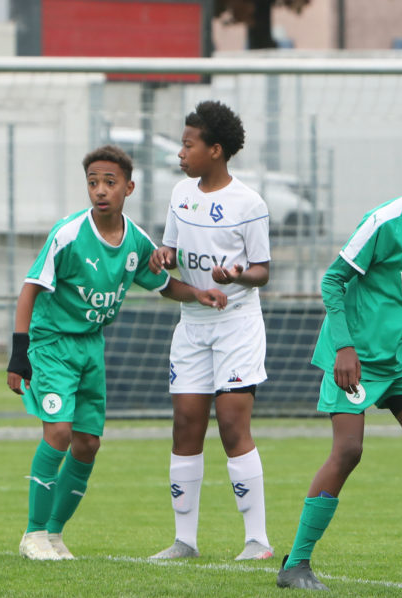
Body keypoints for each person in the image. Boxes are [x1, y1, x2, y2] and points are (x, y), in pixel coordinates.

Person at [276, 126, 402, 590]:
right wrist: (344, 348)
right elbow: (332, 281)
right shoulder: (386, 220)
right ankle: (295, 565)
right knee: (348, 450)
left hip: (398, 353)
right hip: (352, 351)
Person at [6, 145, 227, 561]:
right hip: (53, 344)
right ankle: (32, 533)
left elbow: (163, 285)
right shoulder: (69, 234)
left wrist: (199, 293)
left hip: (92, 346)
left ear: (129, 186)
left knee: (87, 443)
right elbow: (30, 289)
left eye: (109, 183)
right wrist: (19, 355)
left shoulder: (137, 241)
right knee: (58, 432)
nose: (100, 191)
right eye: (93, 183)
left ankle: (53, 534)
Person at [147, 101, 273, 562]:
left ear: (215, 150)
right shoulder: (181, 194)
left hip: (237, 325)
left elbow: (261, 271)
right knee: (186, 424)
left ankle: (256, 541)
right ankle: (185, 541)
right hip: (192, 325)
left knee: (233, 424)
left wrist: (236, 275)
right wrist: (163, 256)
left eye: (188, 144)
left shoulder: (249, 203)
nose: (181, 153)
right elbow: (172, 252)